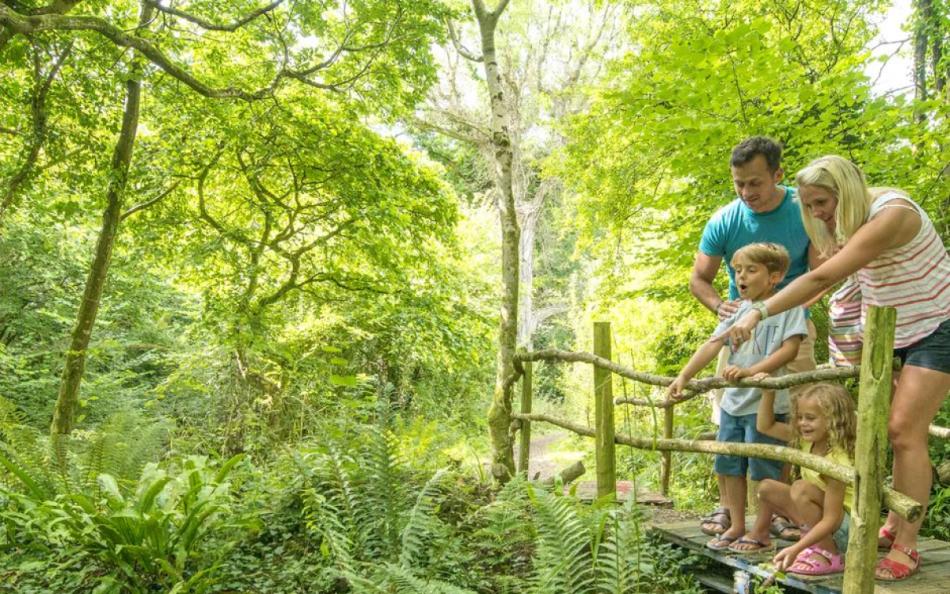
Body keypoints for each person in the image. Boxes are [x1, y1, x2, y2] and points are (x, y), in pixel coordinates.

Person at [724, 155, 950, 581]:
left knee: (904, 430)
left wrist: (759, 311)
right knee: (889, 430)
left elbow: (821, 278)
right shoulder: (849, 221)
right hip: (894, 332)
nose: (817, 214)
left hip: (939, 325)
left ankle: (907, 545)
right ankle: (895, 523)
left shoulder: (892, 214)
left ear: (846, 191)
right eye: (808, 207)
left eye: (821, 203)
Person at [691, 136, 817, 540]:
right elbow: (700, 278)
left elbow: (821, 272)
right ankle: (730, 511)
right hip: (738, 329)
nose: (747, 193)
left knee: (785, 417)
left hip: (789, 325)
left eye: (756, 183)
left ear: (778, 175)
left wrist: (784, 310)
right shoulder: (725, 219)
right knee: (728, 417)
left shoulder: (805, 209)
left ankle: (777, 507)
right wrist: (720, 309)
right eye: (739, 183)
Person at [669, 242, 808, 550]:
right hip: (734, 404)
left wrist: (753, 370)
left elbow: (790, 349)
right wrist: (684, 376)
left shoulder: (788, 307)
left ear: (774, 277)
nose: (740, 276)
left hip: (767, 407)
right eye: (736, 270)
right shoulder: (736, 309)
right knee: (729, 466)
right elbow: (712, 344)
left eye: (750, 270)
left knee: (764, 470)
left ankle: (760, 530)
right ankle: (736, 524)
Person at [729, 383, 855, 577]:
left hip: (846, 531)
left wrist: (795, 548)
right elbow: (765, 426)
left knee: (801, 489)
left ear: (833, 421)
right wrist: (768, 391)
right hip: (825, 522)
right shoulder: (807, 441)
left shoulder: (836, 461)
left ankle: (830, 554)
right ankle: (812, 544)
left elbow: (831, 518)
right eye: (800, 417)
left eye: (810, 418)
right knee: (767, 488)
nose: (802, 423)